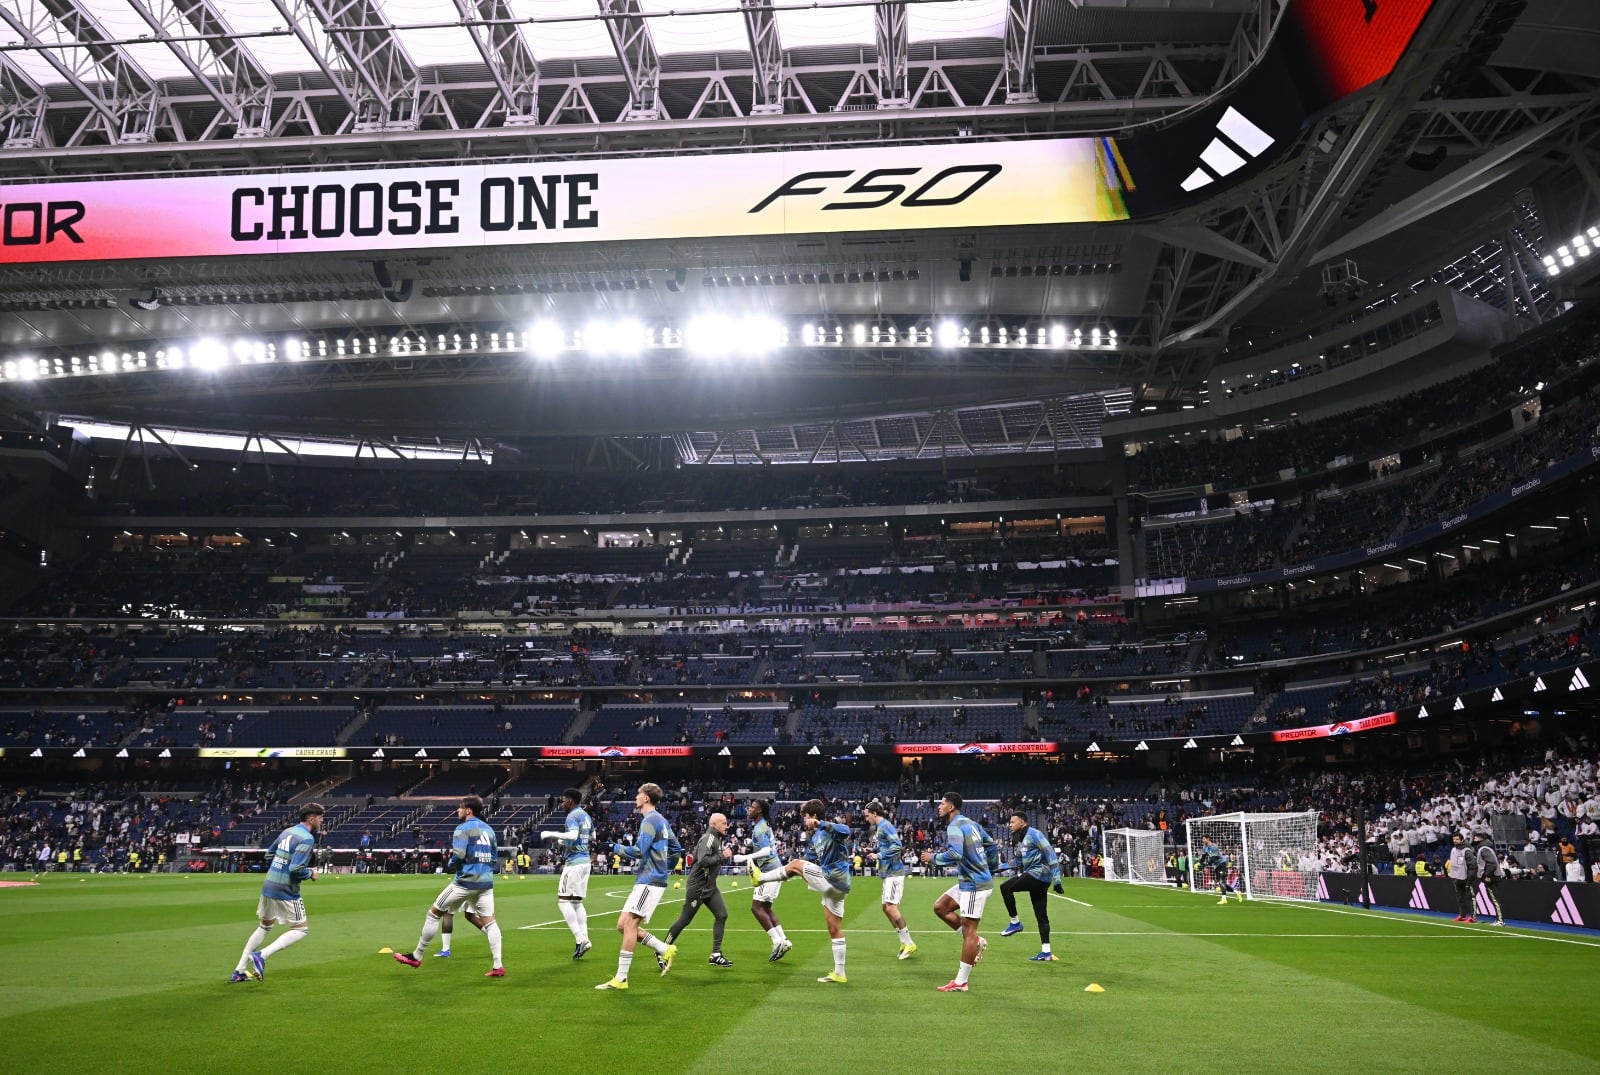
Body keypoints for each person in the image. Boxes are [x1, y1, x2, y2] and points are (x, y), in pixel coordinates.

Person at [393, 795, 505, 977]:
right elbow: (493, 857)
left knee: (433, 913)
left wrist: (453, 865)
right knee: (490, 922)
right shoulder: (489, 829)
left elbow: (458, 856)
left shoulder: (462, 828)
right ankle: (498, 965)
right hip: (485, 883)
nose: (457, 810)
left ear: (468, 810)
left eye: (460, 807)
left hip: (464, 882)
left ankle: (417, 956)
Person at [748, 798, 851, 983]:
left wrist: (820, 824)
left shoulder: (829, 830)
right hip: (837, 888)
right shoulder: (816, 838)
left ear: (814, 816)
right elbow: (807, 858)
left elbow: (846, 831)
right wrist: (787, 873)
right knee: (834, 928)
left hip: (833, 879)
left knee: (795, 864)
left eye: (805, 816)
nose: (804, 820)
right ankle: (840, 973)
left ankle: (760, 878)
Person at [596, 783, 682, 990]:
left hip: (649, 881)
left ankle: (621, 979)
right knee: (622, 925)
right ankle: (664, 948)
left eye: (638, 794)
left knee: (630, 926)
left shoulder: (650, 820)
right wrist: (666, 868)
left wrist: (614, 847)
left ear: (646, 798)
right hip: (649, 879)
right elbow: (676, 849)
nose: (636, 797)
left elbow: (639, 851)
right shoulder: (661, 820)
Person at [232, 802, 325, 982]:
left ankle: (240, 970)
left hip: (269, 884)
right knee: (301, 930)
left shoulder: (287, 831)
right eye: (320, 818)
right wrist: (311, 873)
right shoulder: (307, 838)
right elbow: (295, 869)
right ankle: (262, 955)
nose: (322, 821)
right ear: (311, 818)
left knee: (264, 926)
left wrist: (281, 863)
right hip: (286, 889)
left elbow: (269, 854)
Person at [920, 792, 997, 993]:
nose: (939, 806)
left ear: (951, 807)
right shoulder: (972, 824)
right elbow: (991, 845)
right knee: (941, 907)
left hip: (974, 885)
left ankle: (961, 982)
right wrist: (991, 866)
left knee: (969, 931)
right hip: (970, 881)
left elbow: (955, 854)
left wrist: (933, 858)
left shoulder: (954, 826)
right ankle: (977, 942)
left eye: (942, 803)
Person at [663, 812, 734, 967]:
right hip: (698, 887)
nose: (726, 826)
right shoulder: (709, 838)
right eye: (723, 823)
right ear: (714, 824)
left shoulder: (716, 839)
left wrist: (721, 856)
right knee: (684, 919)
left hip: (710, 887)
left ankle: (716, 954)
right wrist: (723, 856)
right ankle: (661, 948)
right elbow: (702, 861)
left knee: (722, 915)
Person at [998, 810, 1063, 961]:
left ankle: (1015, 923)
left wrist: (1057, 879)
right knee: (1041, 916)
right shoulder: (1020, 839)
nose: (1010, 825)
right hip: (1037, 879)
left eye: (1012, 822)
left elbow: (1050, 854)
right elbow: (1017, 861)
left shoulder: (1035, 834)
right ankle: (1046, 952)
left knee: (1005, 887)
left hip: (1039, 873)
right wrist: (996, 868)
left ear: (1022, 822)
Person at [732, 798, 792, 961]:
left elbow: (766, 851)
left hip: (768, 871)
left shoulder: (759, 828)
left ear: (759, 811)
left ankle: (777, 941)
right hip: (774, 869)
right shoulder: (763, 824)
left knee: (756, 908)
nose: (749, 809)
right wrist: (751, 843)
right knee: (766, 908)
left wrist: (745, 857)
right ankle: (784, 940)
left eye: (752, 807)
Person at [540, 787, 595, 959]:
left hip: (574, 864)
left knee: (563, 902)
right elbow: (592, 836)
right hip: (585, 861)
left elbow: (573, 835)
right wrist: (565, 842)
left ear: (570, 801)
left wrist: (550, 833)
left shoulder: (572, 816)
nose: (562, 803)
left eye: (564, 800)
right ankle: (585, 939)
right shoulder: (586, 816)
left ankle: (580, 939)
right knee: (577, 903)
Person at [863, 800, 916, 959]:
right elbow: (886, 846)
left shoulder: (885, 826)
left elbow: (897, 846)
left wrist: (878, 855)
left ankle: (910, 943)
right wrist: (874, 849)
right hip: (887, 873)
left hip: (894, 873)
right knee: (886, 909)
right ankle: (903, 942)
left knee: (891, 908)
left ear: (874, 813)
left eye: (867, 815)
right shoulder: (881, 827)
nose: (866, 818)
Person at [1473, 831, 1506, 926]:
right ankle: (1499, 919)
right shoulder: (1486, 847)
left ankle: (1500, 920)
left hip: (1491, 877)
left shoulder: (1484, 849)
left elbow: (1492, 863)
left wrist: (1488, 875)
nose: (1474, 839)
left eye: (1476, 837)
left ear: (1481, 838)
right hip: (1493, 876)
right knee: (1493, 898)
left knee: (1494, 899)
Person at [1197, 836, 1242, 904]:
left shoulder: (1214, 846)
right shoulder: (1205, 847)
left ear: (1208, 839)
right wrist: (1198, 863)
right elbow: (1203, 858)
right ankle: (1237, 892)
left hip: (1222, 864)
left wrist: (1205, 865)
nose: (1202, 840)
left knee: (1221, 881)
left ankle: (1224, 899)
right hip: (1216, 866)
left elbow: (1214, 858)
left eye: (1204, 839)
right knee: (1221, 883)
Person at [1446, 830, 1478, 924]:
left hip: (1466, 878)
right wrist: (1452, 877)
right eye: (1453, 839)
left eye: (1457, 839)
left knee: (1471, 897)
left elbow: (1472, 866)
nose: (1455, 841)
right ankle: (1462, 915)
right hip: (1456, 878)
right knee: (1460, 898)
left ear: (1462, 840)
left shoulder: (1466, 851)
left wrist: (1470, 879)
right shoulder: (1453, 850)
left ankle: (1473, 917)